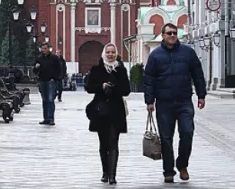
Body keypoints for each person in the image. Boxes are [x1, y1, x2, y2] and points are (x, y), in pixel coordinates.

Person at [143, 23, 207, 184]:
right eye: (169, 33)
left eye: (174, 33)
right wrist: (149, 101)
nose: (172, 35)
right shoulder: (156, 55)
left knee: (187, 132)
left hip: (184, 101)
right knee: (166, 138)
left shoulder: (188, 53)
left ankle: (182, 164)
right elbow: (149, 79)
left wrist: (201, 95)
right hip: (164, 103)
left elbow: (198, 74)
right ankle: (168, 171)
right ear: (163, 35)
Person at [85, 43, 130, 185]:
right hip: (101, 110)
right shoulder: (96, 69)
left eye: (113, 52)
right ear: (104, 53)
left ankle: (112, 175)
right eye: (108, 52)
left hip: (116, 110)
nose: (110, 55)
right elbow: (89, 88)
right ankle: (105, 171)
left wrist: (114, 87)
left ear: (116, 54)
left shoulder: (121, 70)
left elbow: (126, 90)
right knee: (104, 143)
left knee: (114, 142)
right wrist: (102, 86)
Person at [33, 42, 62, 126]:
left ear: (48, 49)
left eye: (45, 48)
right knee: (44, 100)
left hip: (51, 81)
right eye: (42, 48)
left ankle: (51, 118)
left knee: (50, 100)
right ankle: (46, 118)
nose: (44, 50)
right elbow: (34, 71)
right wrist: (36, 67)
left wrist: (55, 78)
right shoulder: (39, 58)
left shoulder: (54, 58)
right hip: (42, 81)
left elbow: (59, 69)